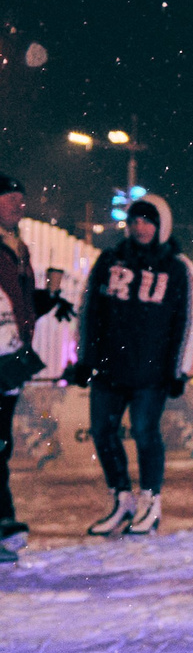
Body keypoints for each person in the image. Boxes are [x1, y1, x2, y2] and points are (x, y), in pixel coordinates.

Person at [75, 193, 193, 538]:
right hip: (109, 369)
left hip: (151, 372)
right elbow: (90, 311)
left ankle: (150, 503)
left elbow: (186, 321)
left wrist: (179, 369)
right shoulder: (110, 259)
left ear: (161, 225)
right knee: (102, 432)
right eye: (135, 221)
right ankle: (122, 500)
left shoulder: (177, 267)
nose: (140, 227)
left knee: (145, 434)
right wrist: (85, 358)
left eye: (147, 220)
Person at [0, 172, 68, 557]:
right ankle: (3, 518)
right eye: (10, 199)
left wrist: (48, 299)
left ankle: (4, 519)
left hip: (11, 358)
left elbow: (20, 306)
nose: (18, 205)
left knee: (1, 443)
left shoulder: (19, 248)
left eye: (20, 200)